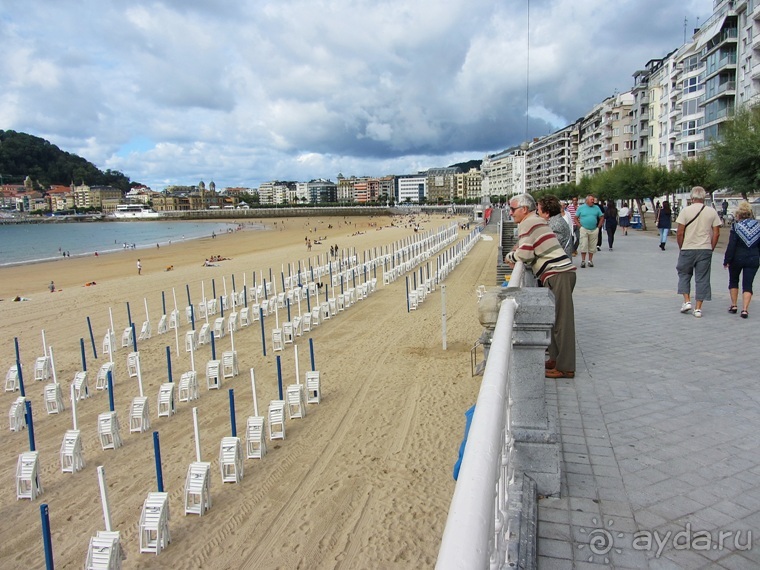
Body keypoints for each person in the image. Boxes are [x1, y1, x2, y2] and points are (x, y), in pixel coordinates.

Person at [505, 194, 577, 379]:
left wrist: (510, 257)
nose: (510, 213)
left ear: (524, 209)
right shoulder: (535, 221)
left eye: (513, 209)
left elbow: (526, 254)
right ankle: (555, 359)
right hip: (557, 274)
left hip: (558, 274)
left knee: (562, 323)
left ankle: (566, 367)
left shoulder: (527, 223)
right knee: (554, 321)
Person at [676, 186, 721, 318]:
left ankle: (687, 300)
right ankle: (698, 308)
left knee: (684, 273)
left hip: (688, 248)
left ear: (692, 197)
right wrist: (711, 247)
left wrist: (681, 246)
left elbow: (680, 232)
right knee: (703, 278)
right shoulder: (712, 212)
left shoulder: (685, 211)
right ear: (704, 197)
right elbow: (717, 233)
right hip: (705, 249)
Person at [723, 201, 760, 318]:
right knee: (748, 284)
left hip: (737, 258)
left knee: (733, 281)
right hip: (753, 258)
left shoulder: (736, 227)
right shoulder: (758, 226)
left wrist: (727, 260)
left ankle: (734, 305)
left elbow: (731, 245)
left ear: (738, 214)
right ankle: (745, 309)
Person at [575, 194, 603, 268]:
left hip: (594, 229)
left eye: (593, 200)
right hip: (584, 229)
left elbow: (602, 217)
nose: (593, 201)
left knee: (592, 246)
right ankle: (583, 261)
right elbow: (575, 218)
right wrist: (580, 226)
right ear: (587, 200)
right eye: (591, 200)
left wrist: (598, 227)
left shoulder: (596, 208)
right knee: (583, 245)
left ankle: (590, 261)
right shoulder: (581, 208)